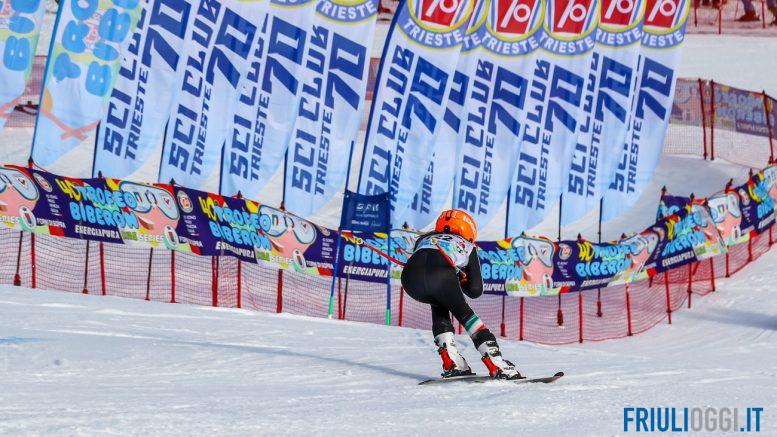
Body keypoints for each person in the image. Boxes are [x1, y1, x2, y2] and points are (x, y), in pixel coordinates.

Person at [400, 209, 522, 380]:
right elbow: (475, 290)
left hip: (409, 280)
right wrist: (460, 279)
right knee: (465, 314)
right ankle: (496, 362)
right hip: (440, 276)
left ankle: (452, 361)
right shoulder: (466, 245)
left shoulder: (426, 239)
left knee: (439, 302)